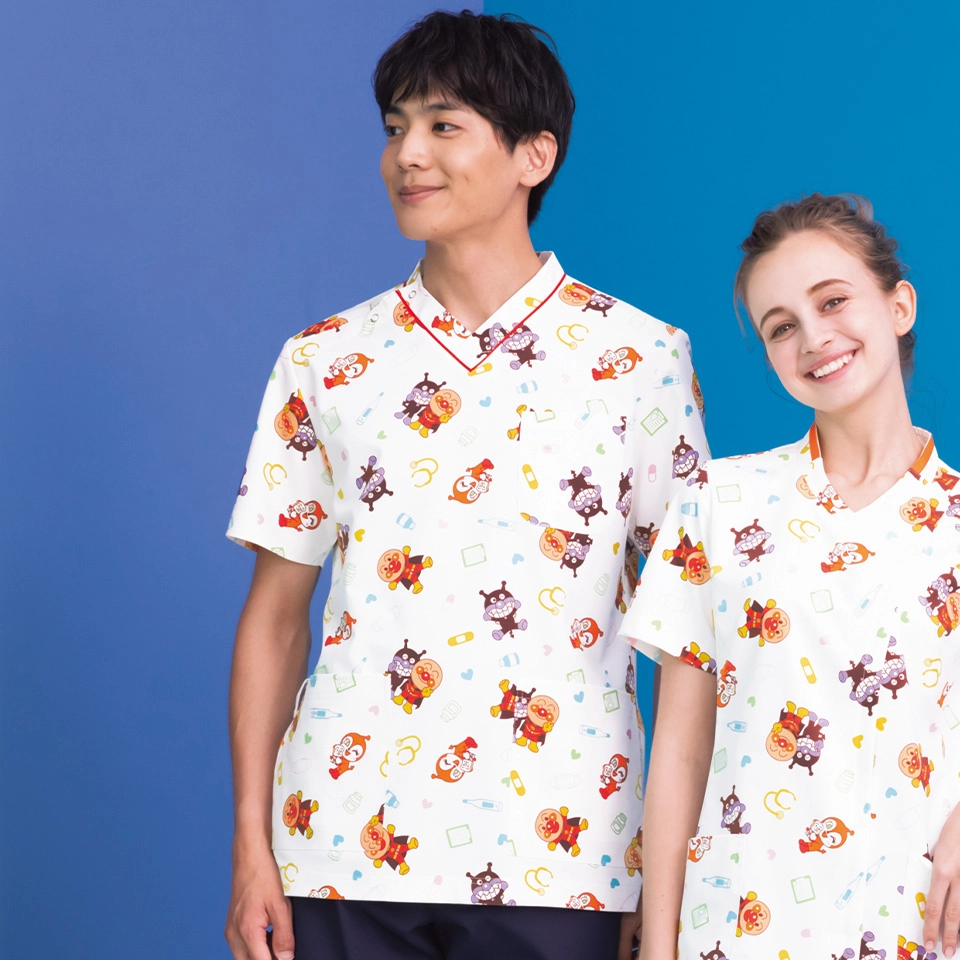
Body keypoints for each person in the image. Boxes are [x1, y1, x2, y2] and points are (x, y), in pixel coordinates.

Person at [223, 10, 706, 960]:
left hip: (566, 852)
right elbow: (275, 617)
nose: (408, 154)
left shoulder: (642, 360)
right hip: (338, 846)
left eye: (443, 125)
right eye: (395, 127)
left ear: (534, 156)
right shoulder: (326, 359)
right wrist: (251, 844)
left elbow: (692, 640)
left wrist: (669, 875)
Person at [620, 193, 960, 959]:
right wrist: (659, 948)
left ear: (899, 305)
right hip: (742, 929)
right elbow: (679, 754)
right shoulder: (718, 503)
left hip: (919, 929)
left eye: (833, 301)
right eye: (781, 326)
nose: (814, 338)